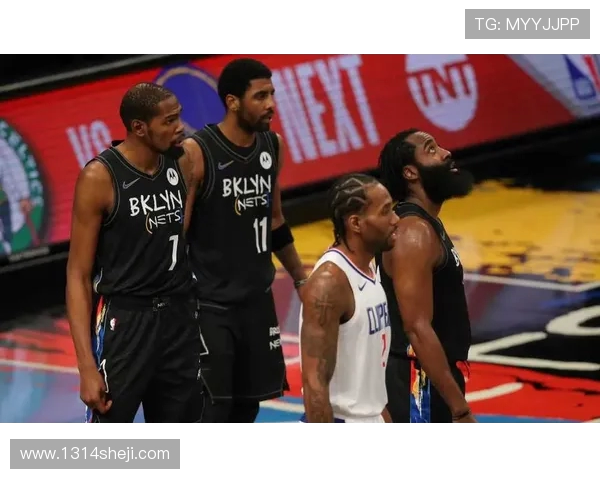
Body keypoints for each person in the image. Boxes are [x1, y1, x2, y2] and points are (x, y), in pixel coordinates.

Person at [180, 58, 307, 423]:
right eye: (260, 96)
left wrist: (301, 279)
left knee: (248, 406)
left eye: (272, 94)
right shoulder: (197, 152)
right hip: (210, 305)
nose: (271, 104)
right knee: (213, 409)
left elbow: (275, 219)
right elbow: (177, 234)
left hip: (257, 302)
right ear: (233, 102)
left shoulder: (272, 145)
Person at [66, 82, 202, 423]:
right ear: (139, 127)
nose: (179, 127)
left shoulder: (181, 162)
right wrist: (86, 367)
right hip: (126, 321)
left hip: (178, 318)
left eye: (178, 117)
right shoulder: (100, 177)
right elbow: (78, 275)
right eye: (168, 121)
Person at [375, 128, 476, 423]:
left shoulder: (425, 224)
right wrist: (460, 409)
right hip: (416, 381)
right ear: (410, 173)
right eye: (431, 149)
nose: (446, 153)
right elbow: (417, 328)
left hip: (427, 375)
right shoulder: (413, 233)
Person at [298, 173, 398, 423]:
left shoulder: (369, 266)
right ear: (356, 223)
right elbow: (314, 384)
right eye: (385, 211)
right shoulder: (329, 284)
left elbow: (369, 380)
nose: (396, 219)